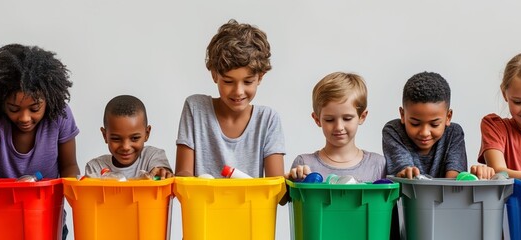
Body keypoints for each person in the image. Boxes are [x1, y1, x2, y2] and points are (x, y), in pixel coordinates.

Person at [0, 44, 79, 239]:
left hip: (47, 218)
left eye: (35, 108)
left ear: (49, 100)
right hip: (1, 219)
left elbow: (69, 165)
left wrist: (75, 195)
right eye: (13, 109)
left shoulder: (60, 115)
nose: (25, 118)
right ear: (1, 102)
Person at [174, 19, 285, 178]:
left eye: (247, 82)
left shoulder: (268, 120)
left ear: (260, 77)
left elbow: (277, 190)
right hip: (203, 203)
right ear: (214, 74)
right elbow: (183, 176)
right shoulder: (195, 108)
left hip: (254, 204)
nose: (238, 91)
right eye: (228, 81)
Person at [383, 71, 494, 179]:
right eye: (415, 124)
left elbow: (453, 182)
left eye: (434, 124)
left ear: (448, 117)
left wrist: (477, 176)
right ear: (402, 115)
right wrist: (405, 172)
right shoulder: (394, 131)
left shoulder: (454, 133)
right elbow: (406, 173)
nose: (424, 132)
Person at [287, 72, 386, 182]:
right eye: (329, 120)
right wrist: (292, 184)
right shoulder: (304, 164)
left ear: (362, 116)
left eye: (347, 118)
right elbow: (286, 199)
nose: (339, 127)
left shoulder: (378, 165)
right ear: (317, 119)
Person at [85, 95, 173, 179]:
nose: (126, 147)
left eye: (134, 138)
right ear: (105, 135)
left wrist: (163, 173)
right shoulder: (95, 168)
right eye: (116, 139)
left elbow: (163, 173)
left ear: (147, 133)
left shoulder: (152, 156)